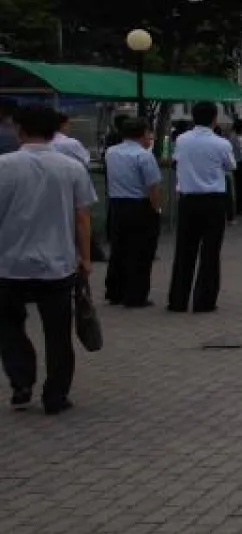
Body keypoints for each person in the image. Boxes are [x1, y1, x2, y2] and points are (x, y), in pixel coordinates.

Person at [0, 105, 96, 414]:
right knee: (58, 332)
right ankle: (55, 394)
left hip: (8, 264)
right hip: (57, 264)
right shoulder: (71, 168)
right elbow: (82, 217)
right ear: (55, 130)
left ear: (19, 129)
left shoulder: (3, 165)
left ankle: (21, 380)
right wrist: (86, 257)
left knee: (9, 327)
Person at [167, 102, 236, 314]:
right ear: (214, 118)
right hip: (214, 200)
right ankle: (204, 301)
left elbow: (176, 161)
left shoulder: (181, 140)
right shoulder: (221, 144)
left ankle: (178, 300)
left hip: (188, 200)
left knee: (184, 251)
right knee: (210, 252)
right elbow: (230, 166)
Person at [102, 118, 162, 308]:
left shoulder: (110, 152)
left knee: (118, 249)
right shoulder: (143, 156)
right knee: (141, 252)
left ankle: (115, 291)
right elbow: (152, 188)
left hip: (117, 205)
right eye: (148, 134)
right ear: (142, 134)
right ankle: (135, 295)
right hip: (139, 206)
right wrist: (156, 209)